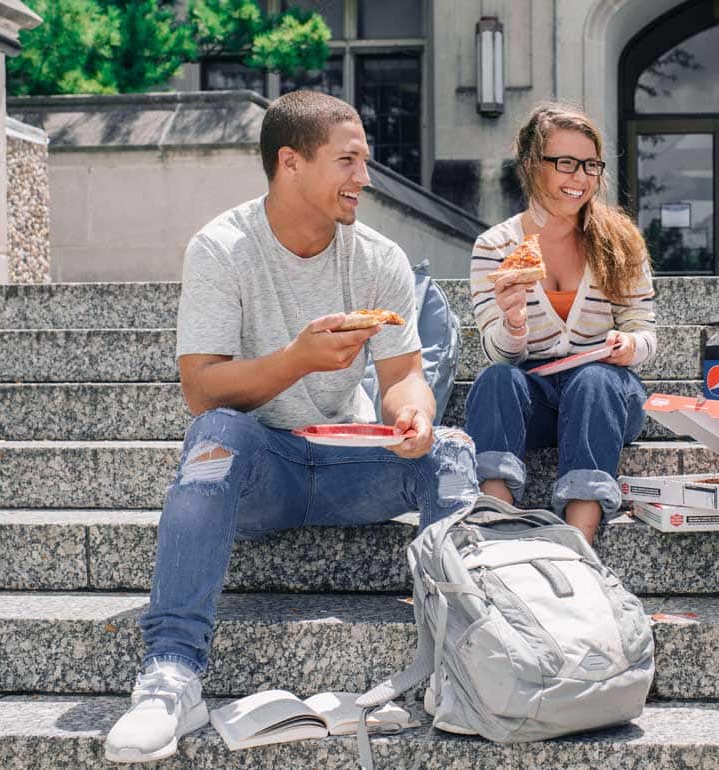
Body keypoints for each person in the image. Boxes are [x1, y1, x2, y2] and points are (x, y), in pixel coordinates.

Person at [103, 91, 478, 764]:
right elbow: (200, 387)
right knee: (215, 434)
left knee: (450, 449)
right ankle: (172, 675)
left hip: (350, 465)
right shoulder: (223, 248)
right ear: (291, 163)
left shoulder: (380, 258)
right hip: (261, 469)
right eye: (348, 161)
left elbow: (402, 376)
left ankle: (467, 660)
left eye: (364, 161)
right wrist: (295, 361)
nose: (364, 177)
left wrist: (413, 414)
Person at [464, 102, 656, 543]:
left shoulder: (619, 240)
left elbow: (645, 330)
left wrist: (629, 346)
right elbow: (500, 353)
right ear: (533, 165)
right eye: (566, 163)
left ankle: (578, 538)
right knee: (495, 380)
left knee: (593, 379)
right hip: (537, 396)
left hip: (607, 398)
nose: (580, 177)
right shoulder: (496, 246)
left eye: (590, 164)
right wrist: (513, 321)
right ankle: (498, 520)